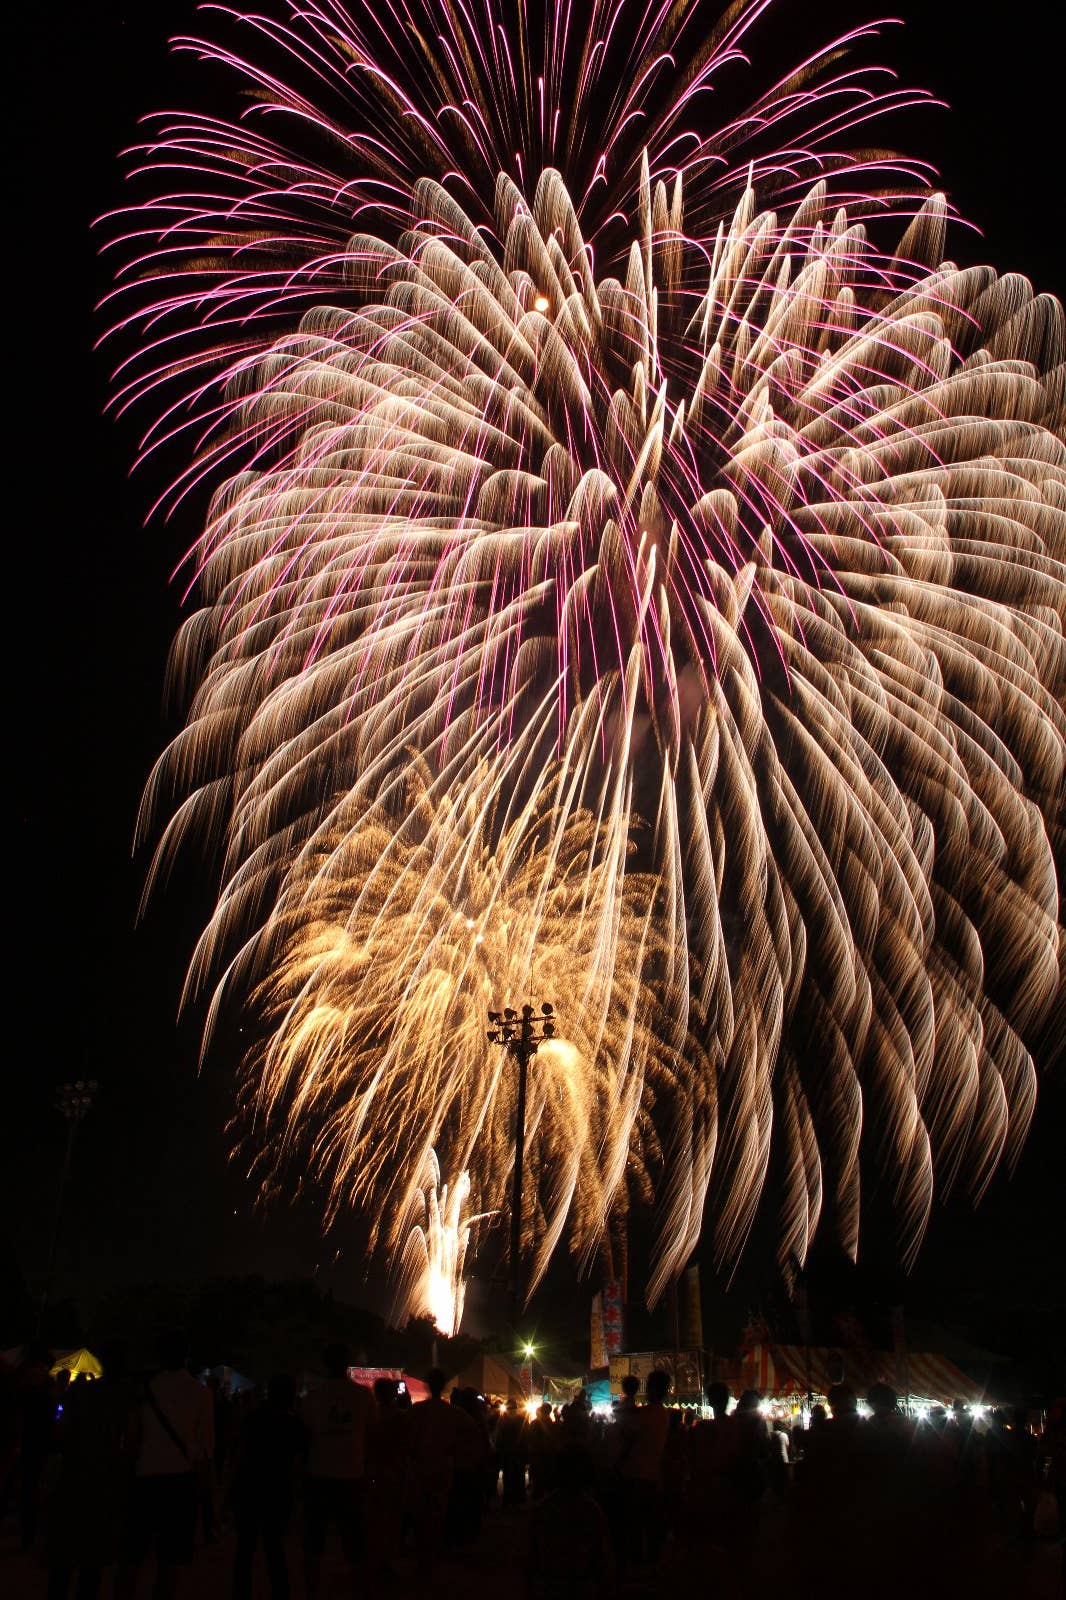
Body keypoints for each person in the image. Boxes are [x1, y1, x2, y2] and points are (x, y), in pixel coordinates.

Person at [116, 1330, 214, 1600]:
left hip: (144, 1478)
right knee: (170, 1562)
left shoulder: (146, 1390)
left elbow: (132, 1437)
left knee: (132, 1557)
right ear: (187, 1356)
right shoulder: (200, 1393)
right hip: (180, 1481)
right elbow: (204, 1450)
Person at [43, 1343, 136, 1600]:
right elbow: (130, 1439)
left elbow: (59, 1431)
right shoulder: (125, 1399)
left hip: (73, 1477)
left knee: (63, 1561)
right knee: (91, 1565)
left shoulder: (79, 1393)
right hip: (103, 1482)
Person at [300, 1342, 376, 1600]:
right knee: (355, 1544)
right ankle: (360, 1590)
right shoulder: (364, 1396)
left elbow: (305, 1437)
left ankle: (312, 1591)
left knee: (313, 1543)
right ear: (348, 1364)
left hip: (318, 1475)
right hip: (351, 1476)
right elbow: (372, 1436)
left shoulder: (313, 1397)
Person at [228, 1373, 308, 1600]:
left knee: (245, 1550)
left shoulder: (253, 1420)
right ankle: (280, 1592)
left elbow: (239, 1456)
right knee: (275, 1550)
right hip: (278, 1492)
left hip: (249, 1490)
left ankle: (241, 1593)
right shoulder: (296, 1425)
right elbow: (300, 1465)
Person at [405, 1367, 481, 1571]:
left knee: (421, 1511)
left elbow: (407, 1437)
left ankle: (423, 1554)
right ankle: (433, 1553)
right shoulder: (453, 1413)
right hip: (442, 1465)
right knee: (438, 1511)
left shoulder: (416, 1410)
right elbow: (472, 1430)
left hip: (420, 1465)